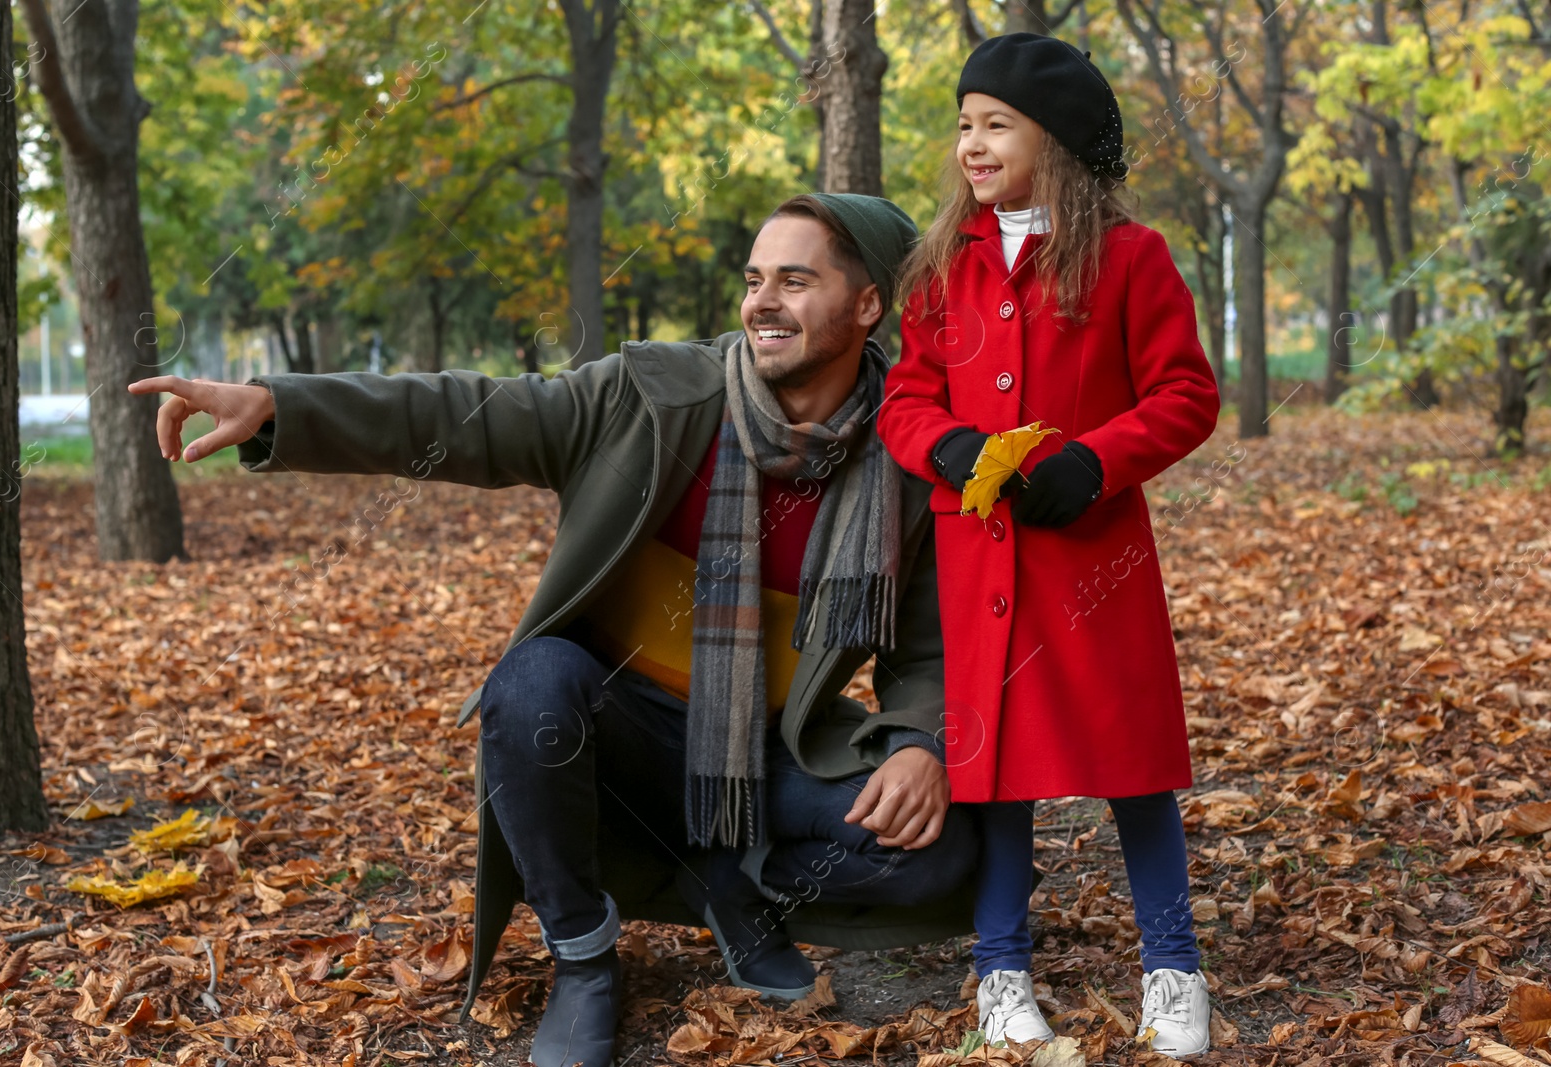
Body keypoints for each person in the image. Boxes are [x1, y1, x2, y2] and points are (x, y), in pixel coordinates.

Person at [129, 193, 978, 1067]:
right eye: (755, 278)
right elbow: (466, 413)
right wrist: (279, 404)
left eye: (795, 281)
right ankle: (583, 956)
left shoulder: (906, 460)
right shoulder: (651, 396)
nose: (762, 300)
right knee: (532, 682)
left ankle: (732, 883)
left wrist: (917, 739)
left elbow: (925, 645)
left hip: (763, 750)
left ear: (869, 303)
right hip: (614, 732)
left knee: (942, 847)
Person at [875, 33, 1223, 1058]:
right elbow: (907, 395)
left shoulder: (1130, 257)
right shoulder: (944, 266)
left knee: (1131, 761)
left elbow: (1185, 393)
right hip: (980, 554)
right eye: (963, 125)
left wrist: (1095, 460)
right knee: (996, 772)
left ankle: (1172, 965)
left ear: (1057, 142)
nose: (971, 145)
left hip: (1090, 554)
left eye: (996, 126)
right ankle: (999, 968)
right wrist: (941, 443)